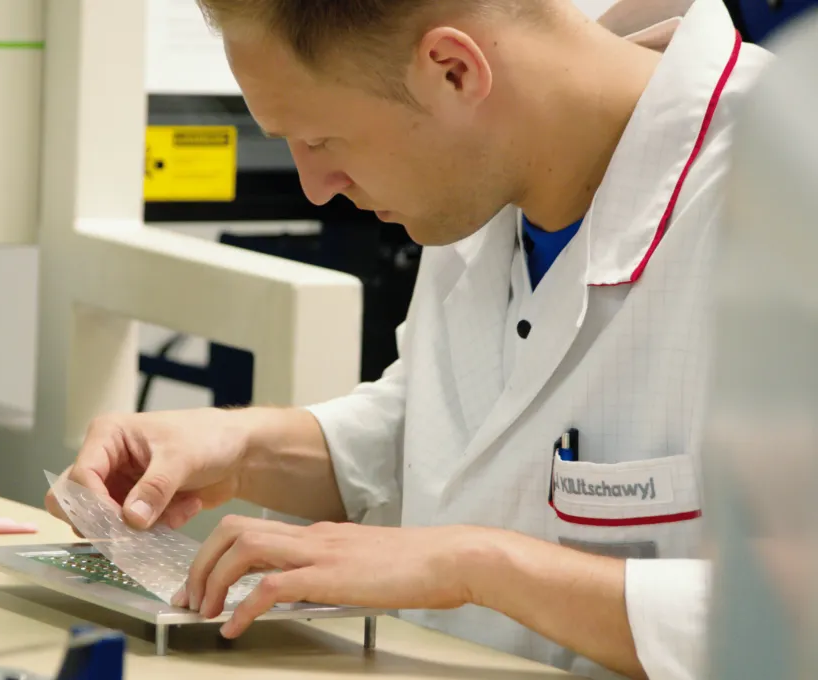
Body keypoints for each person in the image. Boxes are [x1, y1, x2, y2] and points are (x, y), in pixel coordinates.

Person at [47, 0, 771, 677]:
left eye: (321, 138)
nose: (315, 185)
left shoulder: (785, 197)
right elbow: (456, 432)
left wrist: (474, 566)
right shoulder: (483, 173)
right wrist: (246, 449)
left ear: (453, 71)